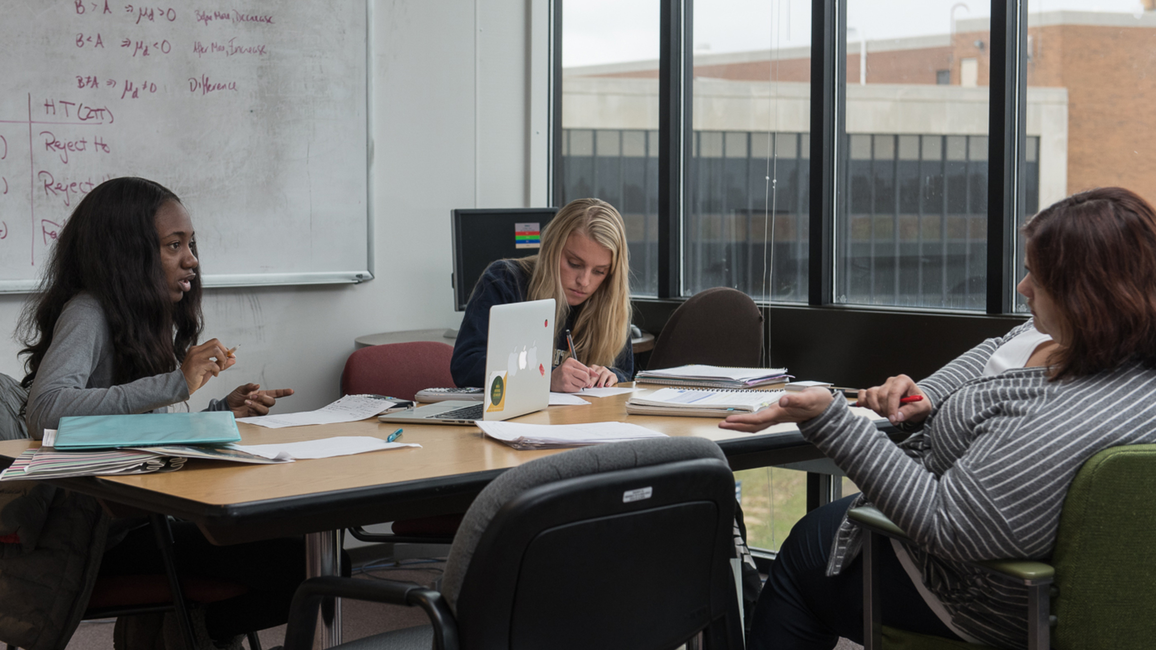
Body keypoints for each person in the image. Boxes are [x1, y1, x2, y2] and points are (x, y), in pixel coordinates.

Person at [720, 187, 1156, 650]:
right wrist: (930, 393)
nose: (1022, 288)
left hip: (979, 596)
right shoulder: (1114, 349)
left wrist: (831, 420)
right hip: (1079, 588)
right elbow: (1006, 346)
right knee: (822, 529)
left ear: (1083, 296)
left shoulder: (1057, 420)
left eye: (1037, 278)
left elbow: (949, 526)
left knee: (805, 552)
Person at [16, 177, 302, 646]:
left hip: (146, 519)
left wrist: (221, 413)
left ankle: (180, 631)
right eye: (174, 245)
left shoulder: (139, 319)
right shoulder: (88, 312)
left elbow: (135, 428)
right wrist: (175, 382)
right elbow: (45, 409)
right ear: (127, 254)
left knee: (302, 552)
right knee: (301, 563)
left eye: (191, 244)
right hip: (101, 540)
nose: (192, 260)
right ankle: (189, 634)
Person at [451, 197, 633, 392]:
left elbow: (625, 372)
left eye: (599, 271)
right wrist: (545, 378)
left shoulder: (609, 302)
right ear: (552, 250)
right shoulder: (505, 280)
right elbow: (466, 366)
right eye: (574, 264)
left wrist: (610, 376)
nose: (584, 281)